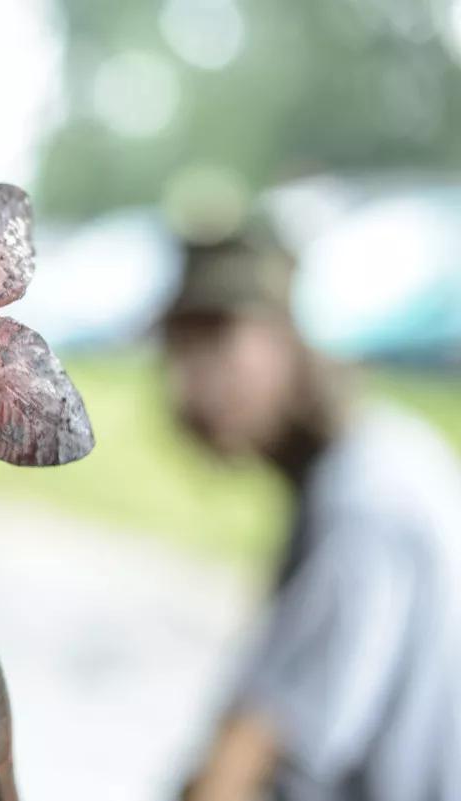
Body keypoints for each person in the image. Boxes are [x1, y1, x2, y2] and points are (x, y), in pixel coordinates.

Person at [164, 225, 461, 801]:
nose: (193, 381)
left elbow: (262, 749)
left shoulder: (368, 497)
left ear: (290, 339)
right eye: (181, 349)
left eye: (220, 341)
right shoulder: (361, 464)